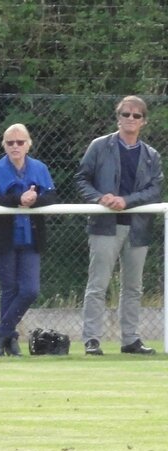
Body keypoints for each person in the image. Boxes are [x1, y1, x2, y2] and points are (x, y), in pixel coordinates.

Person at [76, 95, 163, 356]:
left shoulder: (151, 155)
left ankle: (131, 339)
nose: (130, 119)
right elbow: (82, 179)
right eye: (126, 114)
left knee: (133, 287)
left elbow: (154, 189)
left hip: (138, 229)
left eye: (136, 115)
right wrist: (100, 198)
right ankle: (91, 339)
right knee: (97, 284)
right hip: (105, 225)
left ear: (144, 121)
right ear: (118, 117)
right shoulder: (99, 147)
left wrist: (125, 201)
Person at [0, 124, 57, 357]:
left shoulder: (39, 168)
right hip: (3, 239)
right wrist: (18, 199)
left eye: (20, 142)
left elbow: (52, 195)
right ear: (4, 145)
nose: (15, 146)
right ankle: (9, 341)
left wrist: (34, 200)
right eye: (10, 143)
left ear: (29, 144)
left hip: (31, 238)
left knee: (30, 290)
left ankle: (1, 332)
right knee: (10, 289)